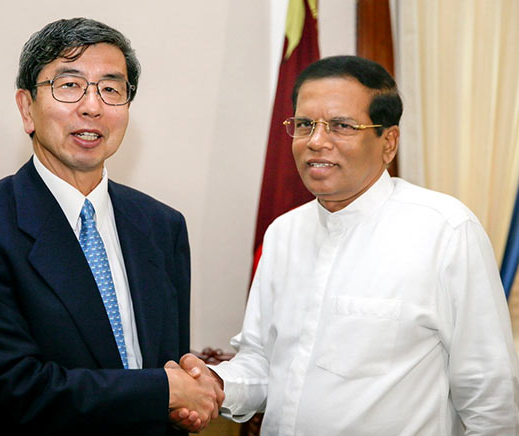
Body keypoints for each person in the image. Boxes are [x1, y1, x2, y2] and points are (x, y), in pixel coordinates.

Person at [174, 56, 519, 435]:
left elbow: (490, 397)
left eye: (341, 126)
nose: (317, 141)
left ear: (388, 142)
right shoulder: (283, 233)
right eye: (305, 125)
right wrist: (216, 385)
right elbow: (263, 362)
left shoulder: (446, 231)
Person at [0, 17, 222, 436]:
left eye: (111, 89)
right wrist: (164, 391)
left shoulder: (162, 225)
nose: (92, 106)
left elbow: (169, 364)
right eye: (69, 86)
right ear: (27, 108)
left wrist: (187, 392)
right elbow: (13, 392)